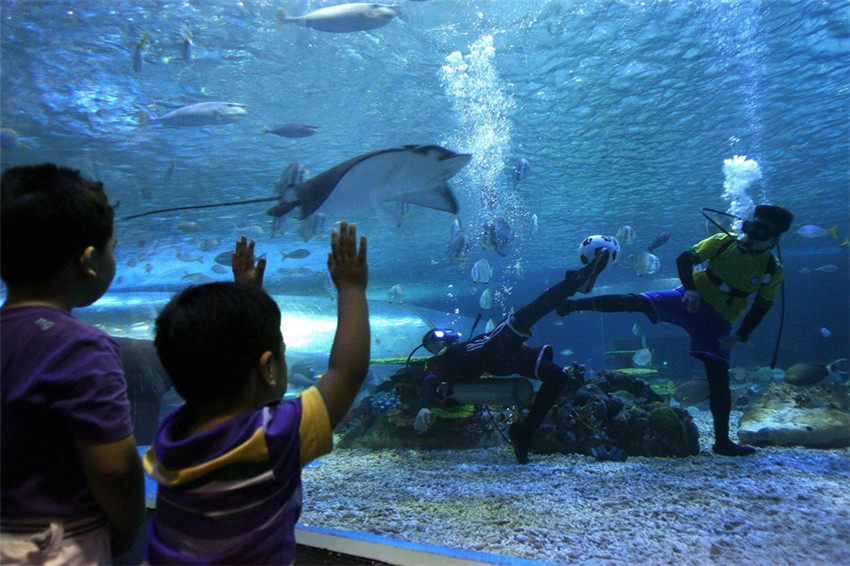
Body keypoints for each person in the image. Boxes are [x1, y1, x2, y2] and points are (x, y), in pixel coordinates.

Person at [143, 222, 370, 565]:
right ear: (268, 368)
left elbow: (218, 354)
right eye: (282, 350)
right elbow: (346, 372)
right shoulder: (271, 439)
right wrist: (351, 287)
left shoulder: (172, 435)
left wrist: (246, 295)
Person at [556, 205, 794, 456]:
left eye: (759, 232)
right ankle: (573, 305)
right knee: (633, 302)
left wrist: (741, 334)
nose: (750, 235)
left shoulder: (773, 269)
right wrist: (690, 290)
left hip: (719, 320)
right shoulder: (725, 241)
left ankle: (722, 442)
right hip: (687, 299)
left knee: (719, 380)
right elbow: (685, 259)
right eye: (749, 227)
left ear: (774, 238)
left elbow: (761, 306)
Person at [0, 164, 146, 563]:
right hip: (55, 545)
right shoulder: (81, 348)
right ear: (88, 261)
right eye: (112, 247)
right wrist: (129, 523)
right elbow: (114, 468)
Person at [414, 248, 611, 464]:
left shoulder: (456, 349)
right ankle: (574, 282)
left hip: (500, 357)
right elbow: (430, 379)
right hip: (492, 349)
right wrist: (424, 406)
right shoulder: (436, 362)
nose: (440, 342)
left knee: (557, 377)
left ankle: (524, 432)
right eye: (433, 342)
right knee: (529, 314)